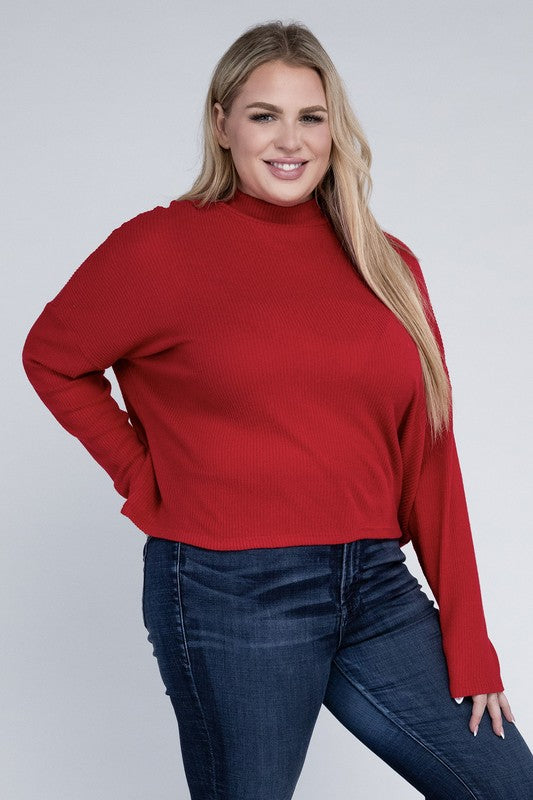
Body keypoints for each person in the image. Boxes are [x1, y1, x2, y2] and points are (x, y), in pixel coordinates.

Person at [21, 18, 533, 800]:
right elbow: (52, 357)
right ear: (223, 123)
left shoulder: (387, 264)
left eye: (310, 116)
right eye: (263, 115)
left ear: (334, 130)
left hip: (375, 587)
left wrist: (471, 642)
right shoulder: (158, 249)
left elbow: (429, 458)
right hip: (228, 590)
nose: (288, 139)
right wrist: (144, 476)